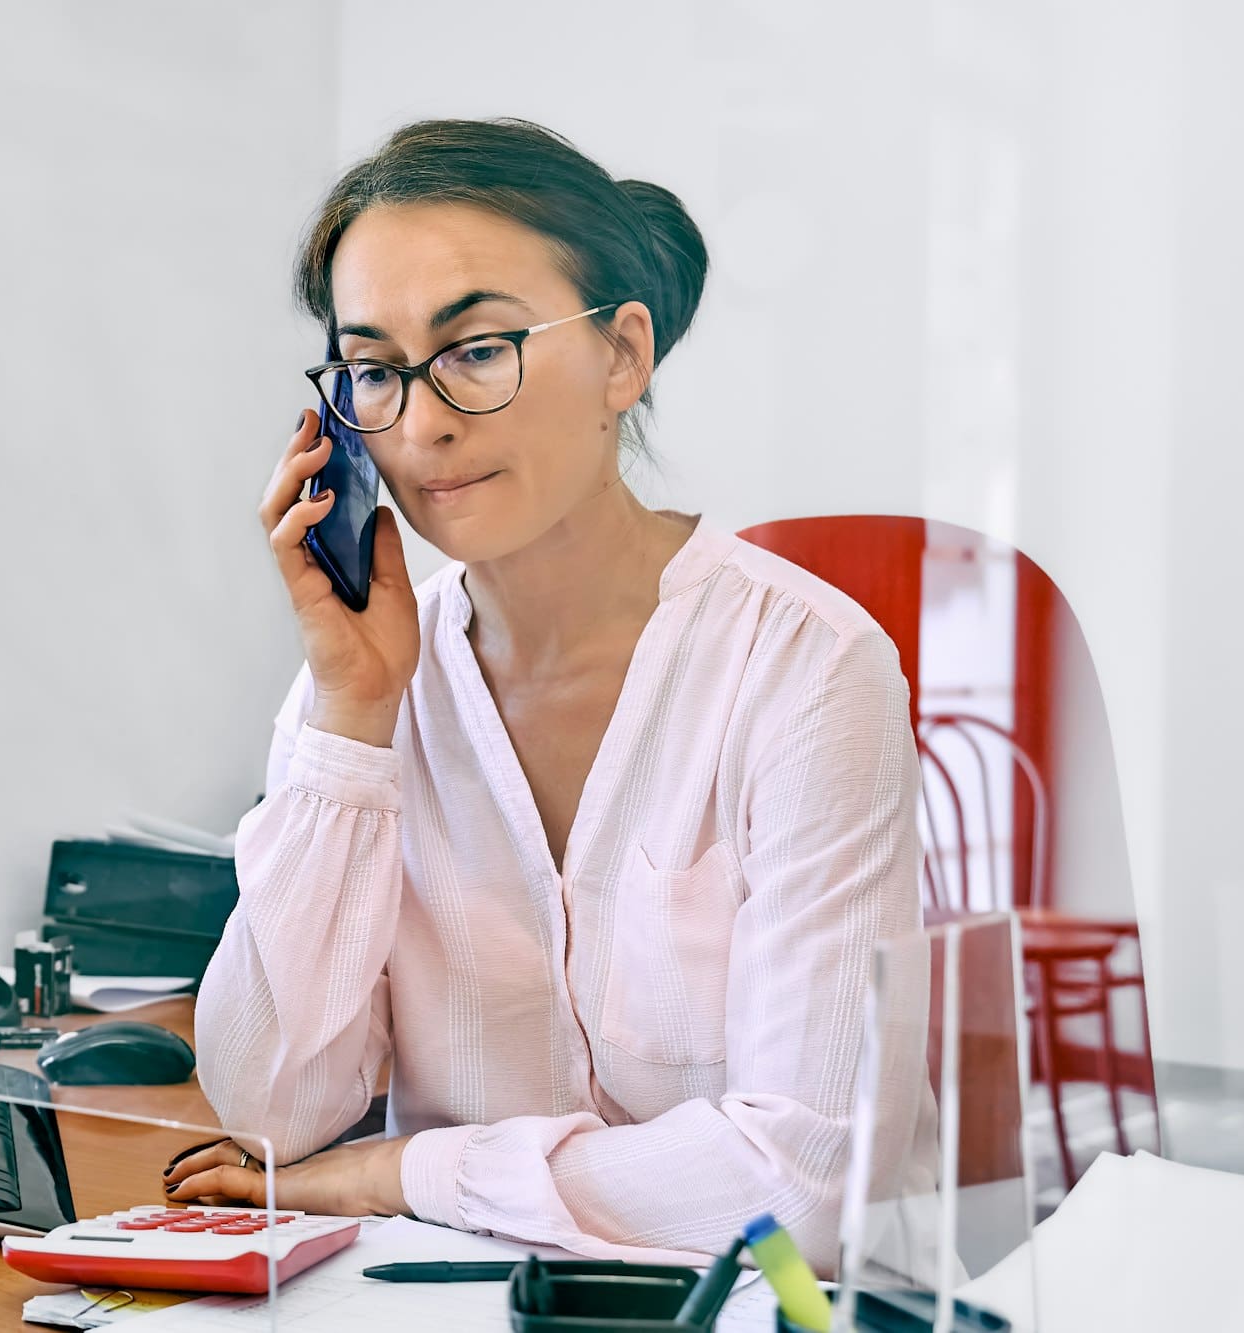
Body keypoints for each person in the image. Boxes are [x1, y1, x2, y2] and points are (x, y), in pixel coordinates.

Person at [171, 117, 929, 1272]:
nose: (421, 424)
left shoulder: (804, 668)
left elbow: (798, 1189)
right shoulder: (366, 687)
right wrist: (350, 724)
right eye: (373, 370)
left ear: (622, 356)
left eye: (476, 350)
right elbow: (271, 1115)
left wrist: (396, 1170)